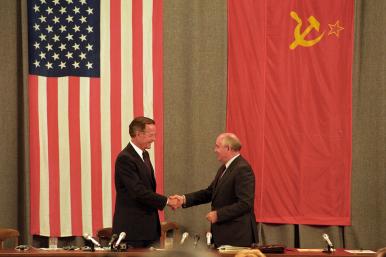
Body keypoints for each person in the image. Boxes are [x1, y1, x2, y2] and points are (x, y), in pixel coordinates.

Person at [172, 133, 258, 247]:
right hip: (225, 234)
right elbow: (210, 192)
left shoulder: (242, 168)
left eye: (217, 146)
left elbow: (245, 203)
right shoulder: (225, 168)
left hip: (237, 236)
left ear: (228, 148)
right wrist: (184, 199)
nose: (215, 150)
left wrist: (218, 214)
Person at [112, 116, 178, 248]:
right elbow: (138, 191)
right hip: (133, 231)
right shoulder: (125, 158)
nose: (154, 139)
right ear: (138, 134)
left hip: (149, 230)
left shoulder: (144, 155)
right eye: (151, 135)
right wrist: (167, 201)